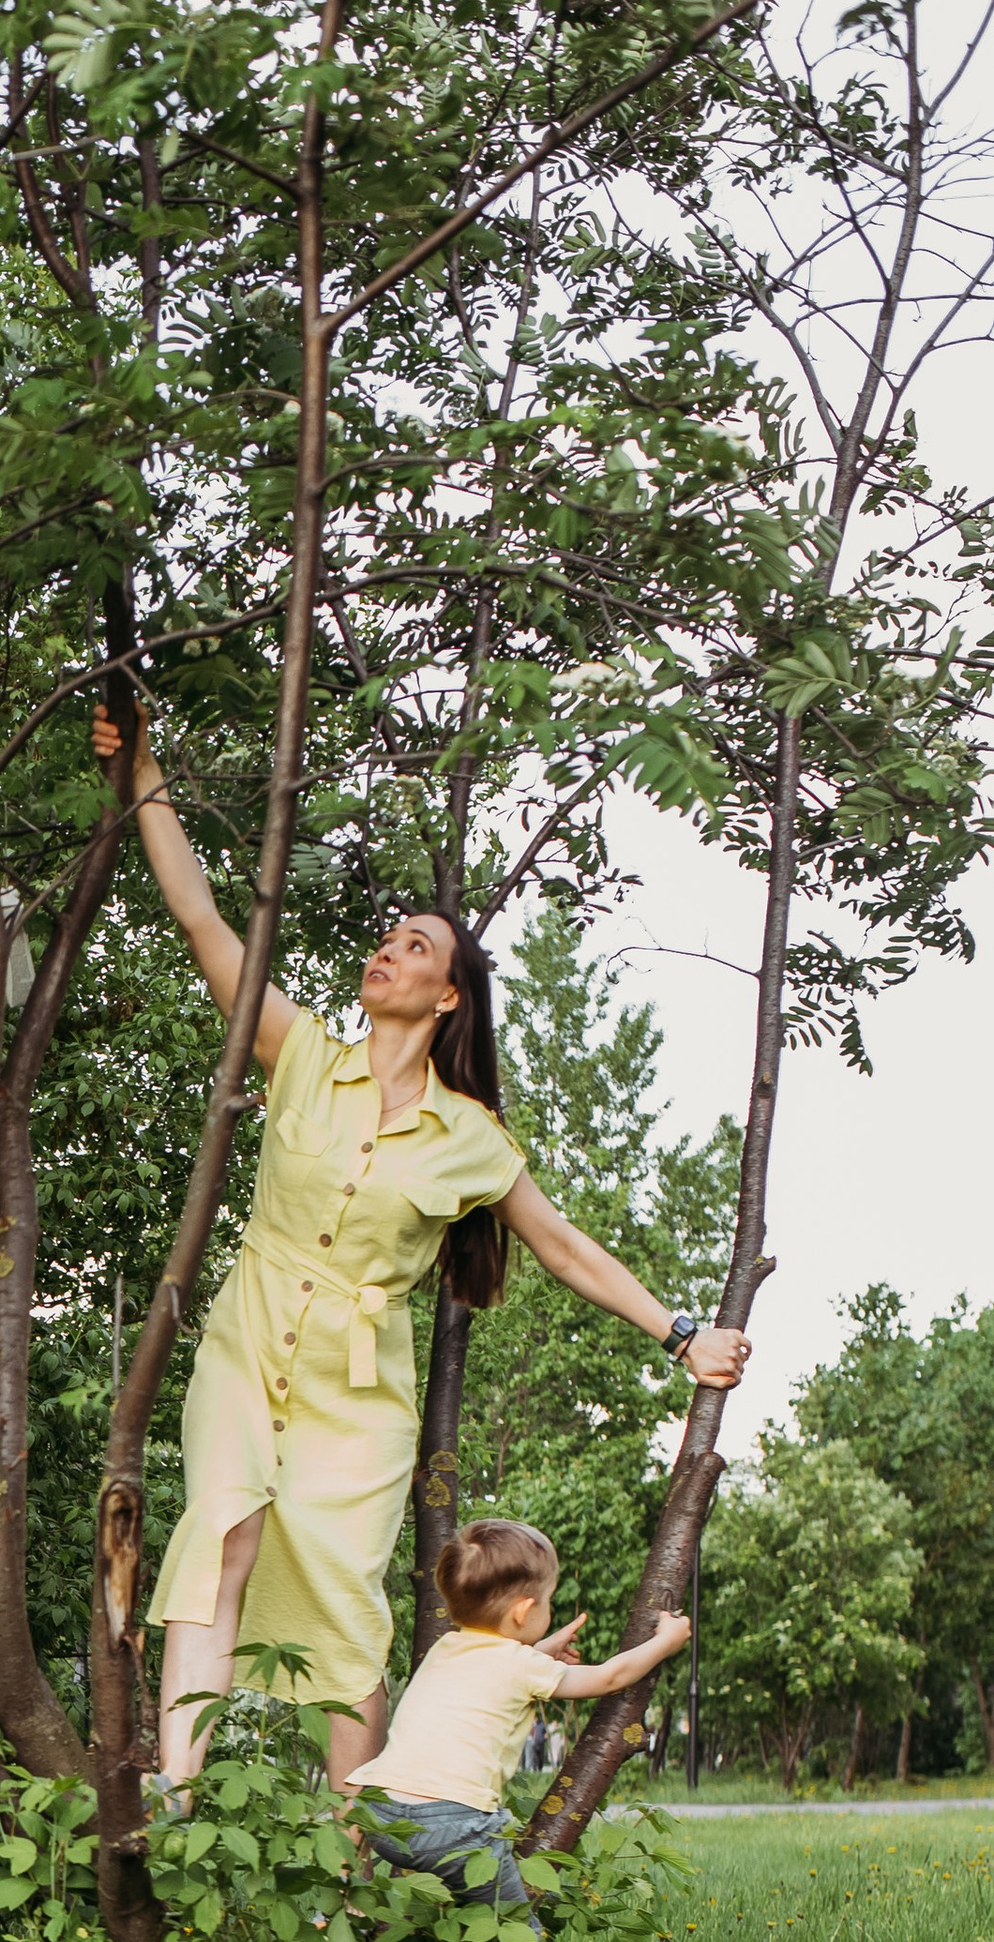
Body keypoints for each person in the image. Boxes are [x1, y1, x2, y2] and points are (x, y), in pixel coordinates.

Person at [91, 702, 750, 1793]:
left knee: (348, 1607)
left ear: (445, 995)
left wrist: (679, 1333)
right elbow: (202, 917)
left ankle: (360, 1848)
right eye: (385, 936)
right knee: (220, 1534)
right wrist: (144, 772)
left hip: (361, 1392)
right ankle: (178, 1796)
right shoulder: (298, 1052)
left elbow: (562, 1247)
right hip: (249, 1339)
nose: (384, 951)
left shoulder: (469, 1136)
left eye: (412, 945)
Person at [349, 1516, 689, 1942]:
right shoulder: (521, 1666)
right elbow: (610, 1678)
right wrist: (665, 1642)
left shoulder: (448, 1646)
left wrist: (543, 1650)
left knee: (454, 1911)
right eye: (547, 1602)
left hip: (382, 1814)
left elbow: (495, 1667)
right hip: (451, 1825)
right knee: (515, 1932)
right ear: (524, 1610)